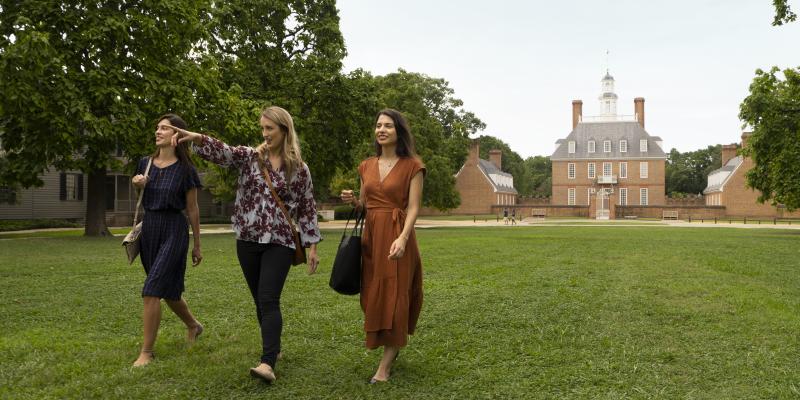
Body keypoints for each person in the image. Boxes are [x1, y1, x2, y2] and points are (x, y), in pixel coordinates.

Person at [170, 106, 321, 383]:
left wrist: (312, 247)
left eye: (270, 129)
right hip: (248, 239)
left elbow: (307, 208)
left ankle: (267, 363)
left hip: (280, 240)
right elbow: (224, 152)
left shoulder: (299, 169)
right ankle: (274, 348)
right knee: (259, 300)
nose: (265, 134)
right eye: (262, 128)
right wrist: (197, 138)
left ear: (284, 130)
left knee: (268, 298)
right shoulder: (251, 158)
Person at [340, 109, 425, 384]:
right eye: (378, 125)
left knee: (396, 295)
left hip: (397, 235)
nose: (382, 129)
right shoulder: (366, 166)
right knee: (373, 296)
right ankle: (391, 344)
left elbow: (413, 208)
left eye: (388, 125)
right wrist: (353, 201)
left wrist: (402, 238)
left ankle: (384, 367)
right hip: (372, 238)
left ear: (398, 131)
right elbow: (366, 206)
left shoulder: (413, 166)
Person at [131, 113, 204, 367]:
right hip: (150, 229)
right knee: (168, 291)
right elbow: (139, 189)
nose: (158, 132)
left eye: (164, 128)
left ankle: (146, 352)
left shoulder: (186, 170)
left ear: (177, 136)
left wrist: (196, 244)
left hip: (174, 229)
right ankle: (194, 325)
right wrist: (136, 182)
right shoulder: (144, 163)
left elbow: (193, 209)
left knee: (151, 290)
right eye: (157, 127)